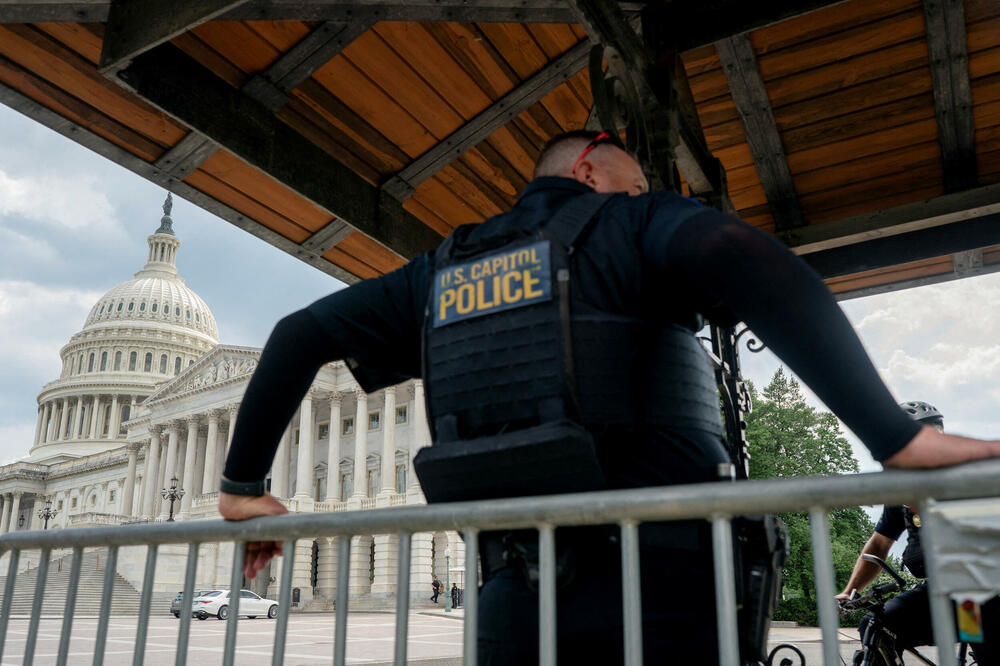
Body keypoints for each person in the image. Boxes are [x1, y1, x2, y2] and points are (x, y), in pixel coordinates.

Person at [217, 130, 1000, 664]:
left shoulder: (439, 272)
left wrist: (243, 490)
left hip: (510, 600)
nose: (644, 193)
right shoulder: (629, 225)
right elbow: (737, 250)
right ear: (590, 166)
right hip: (660, 592)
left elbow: (294, 335)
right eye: (637, 181)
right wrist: (893, 436)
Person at [837, 401, 998, 664]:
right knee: (876, 626)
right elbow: (878, 545)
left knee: (980, 641)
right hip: (936, 593)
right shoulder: (903, 492)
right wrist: (851, 590)